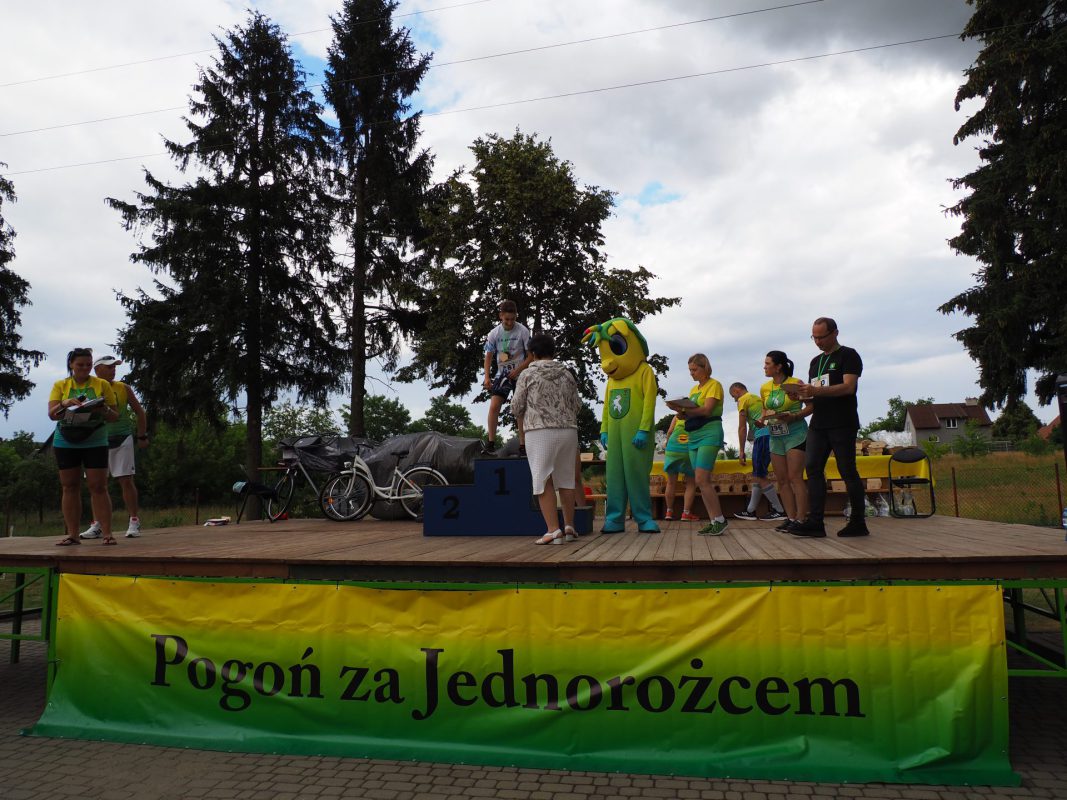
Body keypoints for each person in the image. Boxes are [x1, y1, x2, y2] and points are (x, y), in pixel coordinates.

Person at [786, 317, 868, 538]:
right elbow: (816, 395)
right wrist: (800, 396)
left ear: (835, 333)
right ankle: (815, 523)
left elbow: (849, 387)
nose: (818, 342)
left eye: (822, 337)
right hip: (819, 424)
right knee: (812, 468)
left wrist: (815, 391)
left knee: (847, 470)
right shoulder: (815, 361)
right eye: (814, 337)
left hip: (842, 422)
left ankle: (858, 522)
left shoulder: (848, 355)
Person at [511, 333, 580, 545]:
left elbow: (516, 407)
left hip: (539, 431)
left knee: (542, 480)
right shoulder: (567, 374)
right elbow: (577, 405)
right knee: (566, 479)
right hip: (568, 430)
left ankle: (553, 530)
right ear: (553, 352)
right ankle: (569, 527)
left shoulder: (527, 375)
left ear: (532, 354)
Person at [48, 348, 120, 546]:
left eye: (88, 365)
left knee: (98, 486)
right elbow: (52, 414)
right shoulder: (61, 385)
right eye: (80, 365)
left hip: (95, 438)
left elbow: (114, 416)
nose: (84, 368)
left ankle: (107, 533)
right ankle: (72, 534)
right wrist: (64, 403)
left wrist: (103, 408)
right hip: (66, 439)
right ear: (71, 364)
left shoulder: (101, 384)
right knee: (69, 486)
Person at [80, 355, 149, 540]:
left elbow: (140, 412)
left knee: (125, 480)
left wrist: (142, 435)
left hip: (121, 437)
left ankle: (134, 520)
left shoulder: (123, 388)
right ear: (97, 370)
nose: (113, 370)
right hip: (96, 440)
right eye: (109, 367)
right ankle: (97, 524)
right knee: (95, 484)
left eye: (114, 367)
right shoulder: (90, 388)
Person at [671, 354, 728, 536]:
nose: (692, 373)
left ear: (705, 368)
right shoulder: (694, 389)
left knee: (702, 479)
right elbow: (689, 413)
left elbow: (706, 410)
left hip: (709, 433)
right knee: (700, 480)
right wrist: (679, 412)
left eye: (694, 369)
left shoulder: (714, 385)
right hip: (693, 435)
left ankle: (720, 520)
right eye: (690, 370)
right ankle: (714, 520)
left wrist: (685, 409)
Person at [758, 352, 811, 532]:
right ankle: (790, 517)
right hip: (775, 435)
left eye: (767, 364)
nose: (764, 367)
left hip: (795, 434)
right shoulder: (764, 387)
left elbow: (811, 406)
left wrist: (795, 416)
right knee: (781, 479)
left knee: (795, 477)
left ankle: (801, 519)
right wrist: (761, 419)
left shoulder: (796, 383)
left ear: (778, 366)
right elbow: (765, 409)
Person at [729, 381, 786, 522]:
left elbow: (742, 427)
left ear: (736, 391)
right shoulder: (756, 398)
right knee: (758, 474)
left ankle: (779, 510)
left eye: (733, 396)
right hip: (772, 435)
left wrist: (741, 450)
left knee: (759, 475)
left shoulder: (743, 399)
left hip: (762, 436)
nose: (735, 400)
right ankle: (750, 511)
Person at [482, 300, 532, 452]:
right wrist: (487, 377)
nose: (510, 322)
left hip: (520, 373)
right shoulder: (494, 333)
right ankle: (491, 443)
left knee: (519, 408)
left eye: (513, 319)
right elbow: (488, 357)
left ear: (516, 316)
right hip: (502, 374)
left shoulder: (523, 331)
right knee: (494, 405)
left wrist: (518, 370)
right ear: (501, 316)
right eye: (506, 319)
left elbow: (531, 357)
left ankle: (523, 445)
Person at [662, 413, 699, 521]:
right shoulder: (696, 416)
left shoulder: (677, 417)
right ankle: (686, 513)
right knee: (690, 484)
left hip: (672, 449)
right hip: (688, 450)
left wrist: (667, 444)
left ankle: (669, 512)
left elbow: (669, 432)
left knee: (670, 483)